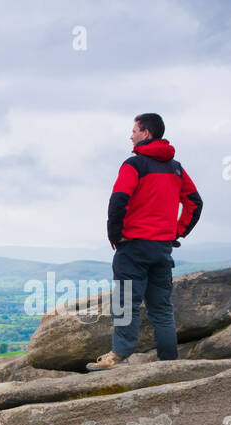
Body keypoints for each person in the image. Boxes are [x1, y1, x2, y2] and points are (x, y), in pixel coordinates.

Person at [86, 113, 203, 371]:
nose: (131, 135)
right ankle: (169, 361)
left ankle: (118, 356)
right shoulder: (176, 168)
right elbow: (195, 203)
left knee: (126, 303)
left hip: (134, 247)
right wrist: (176, 232)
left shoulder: (134, 165)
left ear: (146, 133)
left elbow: (118, 200)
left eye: (134, 130)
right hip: (162, 248)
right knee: (161, 307)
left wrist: (115, 235)